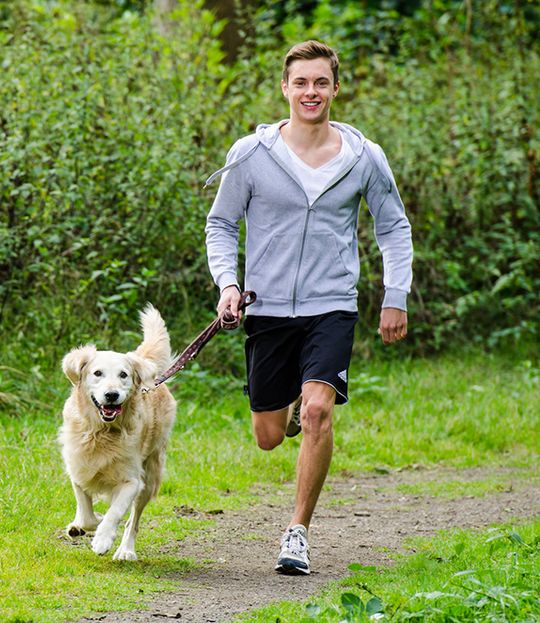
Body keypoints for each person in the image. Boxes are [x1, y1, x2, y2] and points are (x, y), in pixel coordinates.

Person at [204, 40, 413, 575]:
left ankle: (297, 532)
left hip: (331, 304)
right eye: (301, 82)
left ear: (336, 88)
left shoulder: (364, 156)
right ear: (285, 88)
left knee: (321, 410)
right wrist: (228, 284)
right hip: (267, 307)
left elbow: (392, 226)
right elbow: (221, 223)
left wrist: (395, 297)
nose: (311, 92)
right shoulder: (250, 154)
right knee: (268, 436)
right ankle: (291, 404)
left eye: (321, 82)